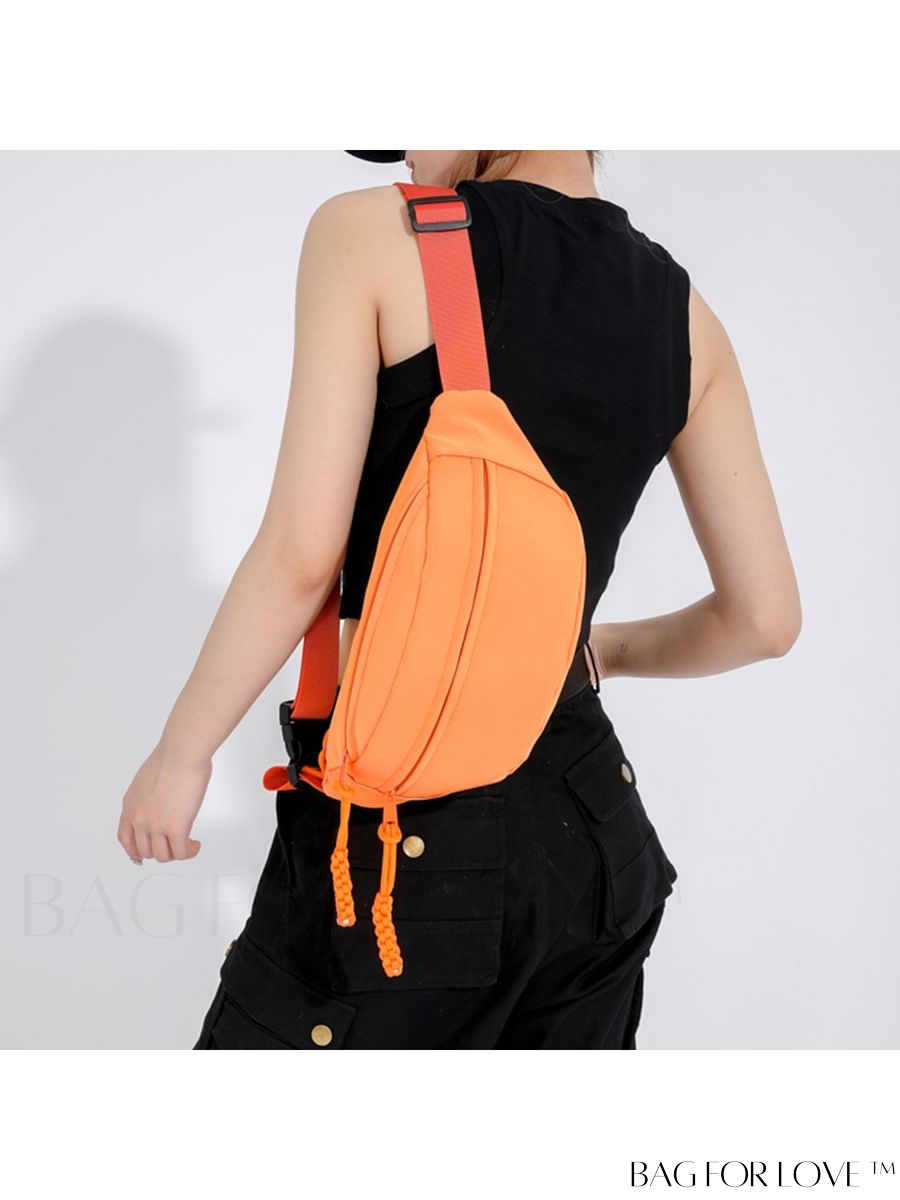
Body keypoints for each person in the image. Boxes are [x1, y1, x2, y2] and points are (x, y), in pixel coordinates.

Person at [117, 150, 802, 1049]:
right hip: (597, 839)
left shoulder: (373, 232)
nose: (408, 154)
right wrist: (602, 649)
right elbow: (764, 620)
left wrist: (182, 753)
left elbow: (302, 556)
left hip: (409, 843)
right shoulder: (688, 316)